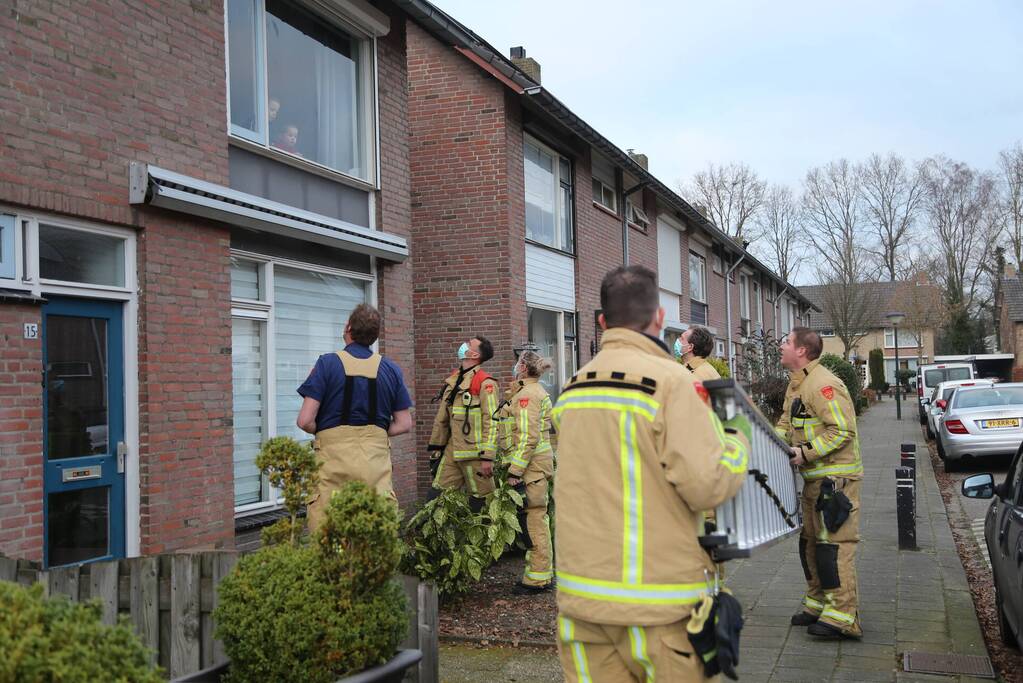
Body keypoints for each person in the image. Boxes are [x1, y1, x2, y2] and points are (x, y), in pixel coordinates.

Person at [552, 265, 752, 682]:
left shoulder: (571, 389)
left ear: (603, 322)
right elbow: (708, 485)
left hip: (581, 605)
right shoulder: (672, 383)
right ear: (659, 319)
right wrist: (736, 440)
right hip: (659, 609)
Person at [776, 327, 863, 639]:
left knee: (833, 548)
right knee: (810, 545)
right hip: (815, 481)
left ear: (801, 351)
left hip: (835, 482)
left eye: (786, 342)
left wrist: (806, 453)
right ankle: (818, 604)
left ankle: (843, 617)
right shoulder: (798, 384)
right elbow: (787, 425)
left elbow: (842, 431)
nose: (781, 346)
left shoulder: (823, 384)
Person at [296, 304, 412, 530]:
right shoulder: (391, 369)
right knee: (373, 530)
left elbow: (305, 420)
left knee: (333, 528)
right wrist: (375, 431)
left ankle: (338, 560)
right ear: (374, 335)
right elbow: (404, 423)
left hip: (333, 464)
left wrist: (329, 430)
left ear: (348, 328)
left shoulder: (327, 364)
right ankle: (369, 562)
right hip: (375, 466)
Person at [497, 347, 556, 594]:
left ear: (523, 367)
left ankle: (538, 579)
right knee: (535, 518)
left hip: (531, 468)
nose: (514, 365)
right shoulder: (527, 391)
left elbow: (528, 437)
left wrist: (515, 471)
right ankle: (541, 574)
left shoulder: (528, 395)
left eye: (517, 362)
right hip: (535, 466)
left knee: (534, 519)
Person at [428, 336, 499, 505]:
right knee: (437, 499)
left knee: (482, 503)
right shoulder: (454, 380)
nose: (464, 345)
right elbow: (443, 418)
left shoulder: (485, 383)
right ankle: (433, 532)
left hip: (475, 456)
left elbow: (492, 420)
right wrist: (437, 447)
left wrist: (487, 457)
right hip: (452, 451)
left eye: (468, 344)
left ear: (474, 355)